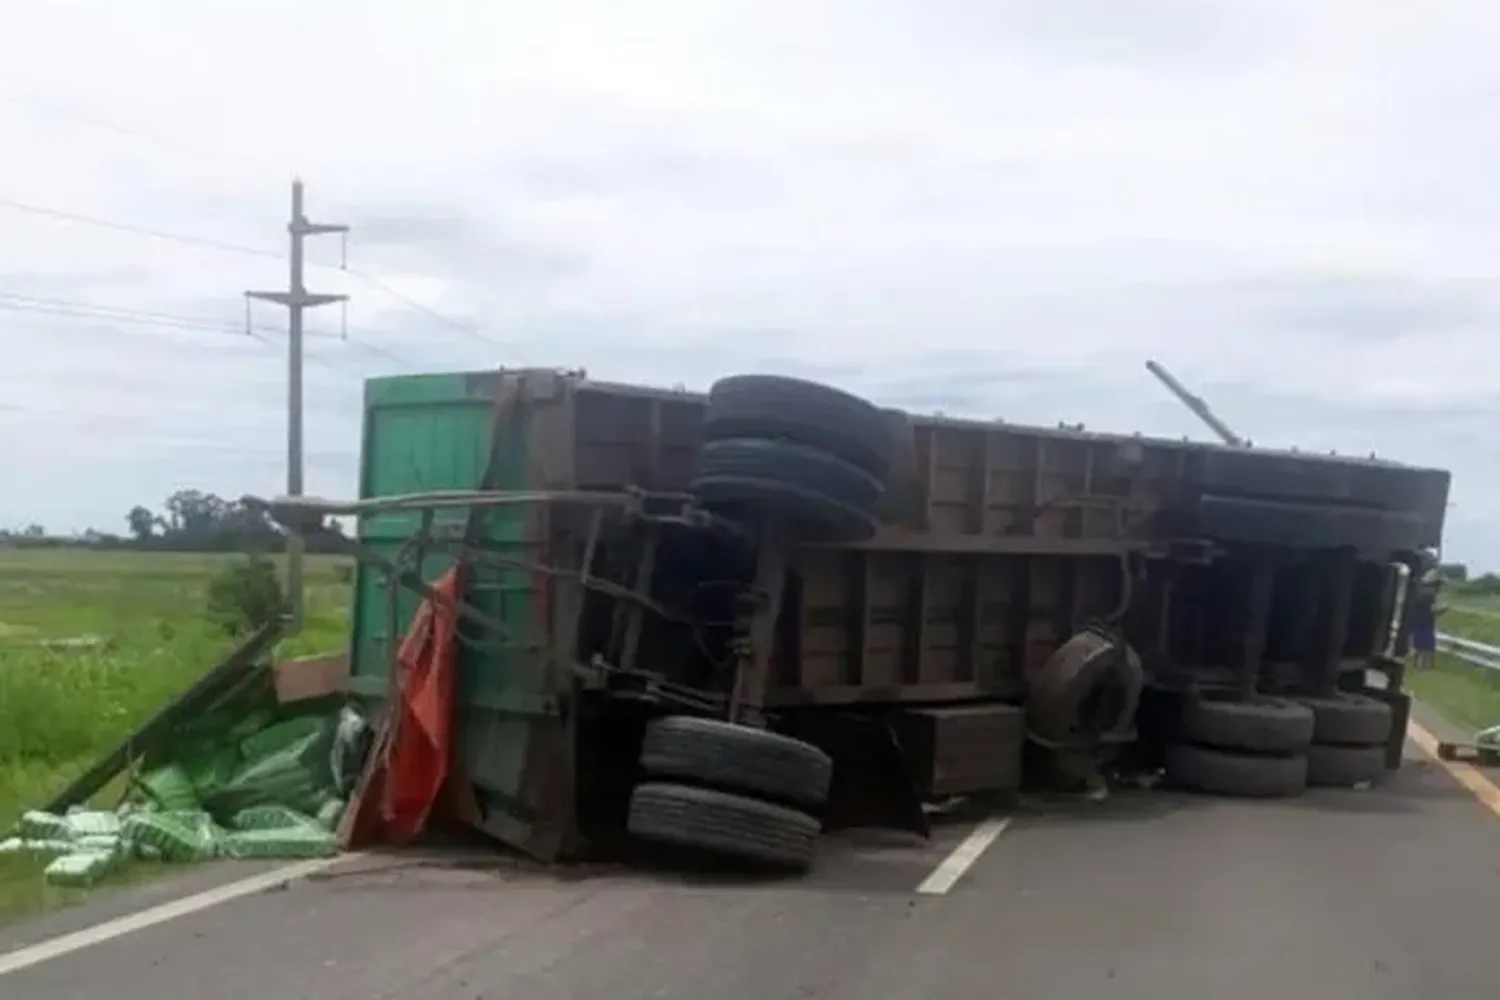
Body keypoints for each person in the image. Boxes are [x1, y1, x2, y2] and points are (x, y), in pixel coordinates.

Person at [1409, 572, 1446, 671]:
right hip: (1426, 625)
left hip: (1417, 623)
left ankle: (1417, 665)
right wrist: (1442, 611)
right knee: (1428, 648)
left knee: (1419, 647)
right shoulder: (1430, 596)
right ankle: (1426, 667)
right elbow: (1431, 612)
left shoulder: (1420, 594)